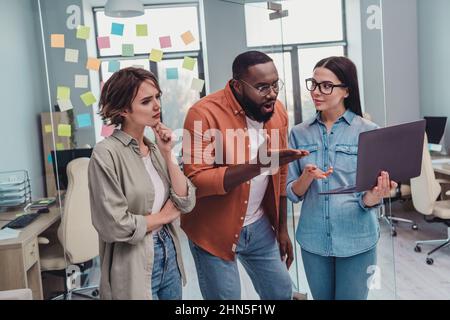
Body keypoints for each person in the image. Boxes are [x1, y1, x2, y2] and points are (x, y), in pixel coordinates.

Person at [181, 51, 307, 300]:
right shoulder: (202, 114)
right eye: (261, 87)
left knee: (281, 291)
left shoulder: (277, 112)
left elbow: (280, 174)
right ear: (237, 86)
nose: (271, 93)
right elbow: (196, 182)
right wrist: (256, 165)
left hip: (260, 226)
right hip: (213, 229)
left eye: (274, 84)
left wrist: (282, 229)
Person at [286, 56, 397, 300]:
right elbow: (293, 193)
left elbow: (366, 200)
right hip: (313, 240)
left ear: (346, 90)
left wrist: (376, 194)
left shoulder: (369, 131)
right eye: (313, 84)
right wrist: (306, 176)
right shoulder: (298, 133)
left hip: (357, 239)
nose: (316, 91)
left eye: (326, 85)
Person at [88, 67, 196, 300]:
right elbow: (113, 224)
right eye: (147, 101)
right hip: (134, 261)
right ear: (124, 109)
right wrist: (165, 216)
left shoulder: (156, 148)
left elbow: (186, 201)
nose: (157, 105)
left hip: (169, 252)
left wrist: (168, 153)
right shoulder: (105, 154)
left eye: (158, 97)